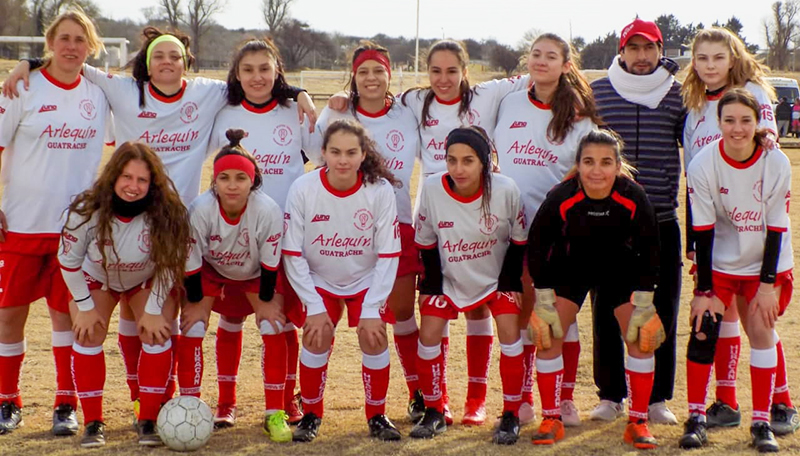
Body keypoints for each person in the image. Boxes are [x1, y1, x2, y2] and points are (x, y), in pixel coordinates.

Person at [1, 25, 315, 421]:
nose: (167, 63)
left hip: (184, 228)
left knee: (163, 319)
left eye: (174, 57)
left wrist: (298, 92)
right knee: (135, 316)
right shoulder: (123, 90)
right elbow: (74, 65)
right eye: (158, 57)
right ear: (146, 64)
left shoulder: (207, 92)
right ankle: (141, 398)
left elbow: (255, 84)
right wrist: (27, 65)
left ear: (186, 62)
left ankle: (174, 400)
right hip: (127, 219)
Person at [0, 7, 109, 436]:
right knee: (10, 315)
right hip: (20, 225)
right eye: (63, 38)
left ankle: (67, 403)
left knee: (67, 318)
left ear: (90, 46)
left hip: (75, 231)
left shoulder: (99, 93)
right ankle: (8, 400)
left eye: (79, 40)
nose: (71, 46)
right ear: (49, 44)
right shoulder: (21, 88)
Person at [680, 27, 795, 435]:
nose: (710, 66)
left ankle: (780, 403)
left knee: (758, 323)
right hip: (717, 233)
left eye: (718, 58)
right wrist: (694, 242)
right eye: (702, 58)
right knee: (720, 320)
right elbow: (695, 175)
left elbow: (768, 149)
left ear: (733, 58)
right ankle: (725, 401)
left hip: (757, 232)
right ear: (693, 63)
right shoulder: (694, 106)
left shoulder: (753, 94)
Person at [197, 37, 314, 428]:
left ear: (277, 71)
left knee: (280, 321)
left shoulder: (292, 111)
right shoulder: (221, 110)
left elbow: (324, 151)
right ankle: (226, 402)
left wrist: (300, 94)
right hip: (231, 239)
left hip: (284, 237)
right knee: (230, 321)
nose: (257, 76)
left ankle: (286, 399)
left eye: (265, 68)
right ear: (237, 74)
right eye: (248, 70)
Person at [527, 129, 665, 449]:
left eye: (605, 162)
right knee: (546, 332)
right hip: (570, 266)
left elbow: (651, 247)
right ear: (577, 165)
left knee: (642, 336)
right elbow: (537, 245)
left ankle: (639, 421)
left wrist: (645, 298)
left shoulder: (633, 195)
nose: (596, 170)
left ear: (618, 166)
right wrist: (544, 295)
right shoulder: (562, 196)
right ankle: (551, 418)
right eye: (588, 162)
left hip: (619, 269)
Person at [313, 40, 423, 421]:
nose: (372, 78)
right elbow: (313, 157)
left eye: (378, 70)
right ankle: (310, 400)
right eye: (363, 71)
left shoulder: (408, 113)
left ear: (389, 74)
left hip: (397, 224)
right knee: (327, 318)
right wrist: (328, 103)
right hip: (341, 230)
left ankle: (417, 393)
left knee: (403, 315)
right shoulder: (337, 113)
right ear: (354, 77)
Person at [493, 32, 599, 426]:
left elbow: (589, 169)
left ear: (565, 65)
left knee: (559, 318)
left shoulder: (580, 114)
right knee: (522, 315)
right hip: (512, 230)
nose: (542, 61)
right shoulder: (509, 102)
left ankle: (565, 398)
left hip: (561, 231)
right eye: (536, 54)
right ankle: (521, 399)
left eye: (551, 56)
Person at [58, 141, 191, 447]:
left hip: (145, 278)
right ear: (113, 176)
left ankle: (147, 419)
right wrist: (84, 305)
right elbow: (68, 260)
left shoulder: (167, 211)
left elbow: (171, 264)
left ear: (153, 182)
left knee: (157, 333)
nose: (133, 186)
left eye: (142, 180)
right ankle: (93, 422)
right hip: (99, 276)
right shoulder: (87, 208)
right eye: (126, 177)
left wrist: (156, 309)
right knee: (88, 332)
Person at [589, 17, 684, 425]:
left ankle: (658, 397)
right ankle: (611, 394)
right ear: (621, 51)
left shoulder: (679, 94)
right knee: (608, 308)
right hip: (609, 218)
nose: (642, 57)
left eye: (649, 48)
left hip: (662, 216)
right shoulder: (598, 92)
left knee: (662, 309)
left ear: (660, 50)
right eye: (634, 48)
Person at [282, 119, 402, 442]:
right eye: (335, 152)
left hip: (366, 279)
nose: (343, 160)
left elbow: (389, 255)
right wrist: (314, 305)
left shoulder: (379, 191)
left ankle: (377, 415)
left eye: (351, 152)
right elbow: (292, 253)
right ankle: (311, 414)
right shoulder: (303, 188)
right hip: (319, 277)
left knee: (374, 335)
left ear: (364, 154)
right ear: (322, 153)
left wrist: (373, 307)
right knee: (316, 334)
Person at [410, 126, 527, 445]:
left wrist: (509, 281)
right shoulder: (433, 188)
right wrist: (432, 285)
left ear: (485, 162)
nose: (458, 169)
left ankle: (510, 414)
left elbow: (518, 240)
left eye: (468, 161)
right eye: (451, 160)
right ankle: (435, 410)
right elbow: (426, 241)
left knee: (510, 331)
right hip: (448, 278)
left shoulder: (505, 189)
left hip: (495, 278)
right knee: (429, 332)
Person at [182, 129, 291, 441]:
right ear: (214, 181)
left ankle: (275, 412)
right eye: (224, 178)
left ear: (253, 181)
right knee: (191, 327)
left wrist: (268, 300)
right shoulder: (201, 209)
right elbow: (191, 259)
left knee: (273, 325)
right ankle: (195, 409)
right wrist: (194, 302)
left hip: (258, 274)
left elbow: (270, 266)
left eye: (240, 178)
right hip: (211, 271)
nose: (232, 185)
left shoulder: (267, 209)